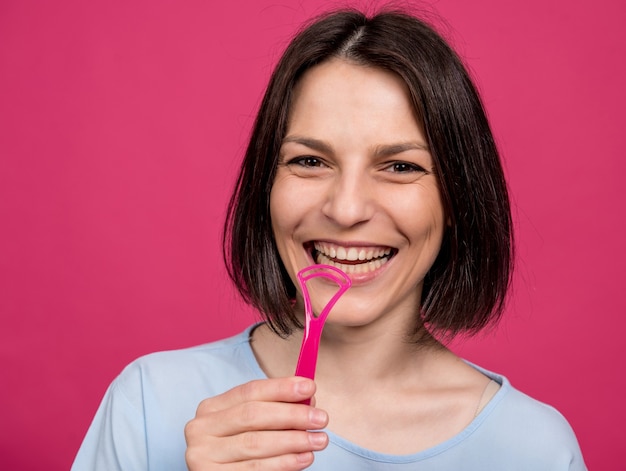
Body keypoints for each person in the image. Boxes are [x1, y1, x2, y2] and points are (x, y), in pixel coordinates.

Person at [72, 8, 587, 471]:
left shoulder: (534, 450)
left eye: (400, 166)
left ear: (456, 200)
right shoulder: (147, 403)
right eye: (310, 161)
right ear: (266, 185)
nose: (345, 210)